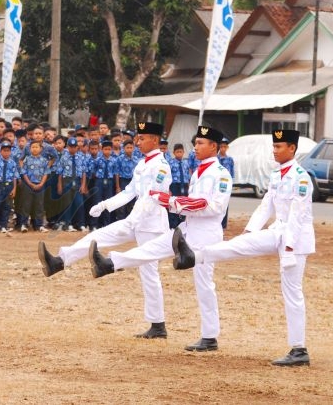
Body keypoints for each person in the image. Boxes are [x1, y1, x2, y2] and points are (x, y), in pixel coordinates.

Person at [171, 129, 315, 366]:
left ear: (292, 149)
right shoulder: (278, 174)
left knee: (292, 293)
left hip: (295, 240)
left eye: (279, 147)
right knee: (237, 246)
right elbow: (266, 205)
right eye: (274, 146)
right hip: (278, 230)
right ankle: (194, 256)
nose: (274, 151)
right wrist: (249, 232)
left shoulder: (301, 177)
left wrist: (288, 249)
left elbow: (299, 217)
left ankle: (299, 350)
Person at [88, 126, 232, 352]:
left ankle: (209, 336)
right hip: (188, 228)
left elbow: (214, 206)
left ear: (214, 146)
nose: (195, 147)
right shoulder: (199, 171)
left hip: (206, 233)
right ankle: (110, 263)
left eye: (201, 143)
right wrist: (173, 202)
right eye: (196, 142)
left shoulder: (221, 173)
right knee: (151, 249)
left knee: (204, 284)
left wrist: (174, 202)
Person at [39, 121, 172, 339]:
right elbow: (130, 192)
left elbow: (152, 198)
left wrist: (132, 220)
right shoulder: (142, 164)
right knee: (98, 236)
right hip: (136, 220)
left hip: (152, 223)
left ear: (155, 140)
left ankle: (158, 325)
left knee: (149, 274)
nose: (138, 142)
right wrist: (105, 205)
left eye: (142, 138)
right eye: (137, 137)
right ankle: (59, 261)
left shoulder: (161, 166)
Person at [0, 140, 20, 233]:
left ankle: (3, 225)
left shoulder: (12, 163)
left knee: (7, 206)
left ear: (10, 152)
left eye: (8, 150)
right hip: (0, 185)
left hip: (9, 185)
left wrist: (14, 189)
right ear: (0, 151)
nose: (6, 152)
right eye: (4, 150)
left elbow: (15, 177)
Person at [56, 137, 88, 232]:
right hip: (67, 181)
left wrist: (83, 185)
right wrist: (60, 185)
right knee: (67, 204)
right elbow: (60, 173)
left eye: (74, 147)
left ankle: (81, 224)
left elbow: (84, 172)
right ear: (67, 146)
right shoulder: (64, 157)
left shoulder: (81, 157)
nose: (72, 149)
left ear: (77, 147)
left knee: (79, 203)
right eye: (71, 146)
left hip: (77, 181)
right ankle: (68, 224)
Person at [19, 141, 50, 232]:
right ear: (29, 149)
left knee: (39, 205)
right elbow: (24, 173)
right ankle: (24, 224)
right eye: (32, 147)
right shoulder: (27, 159)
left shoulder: (44, 160)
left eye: (37, 147)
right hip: (28, 185)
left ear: (41, 149)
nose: (35, 149)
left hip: (40, 185)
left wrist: (41, 184)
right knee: (26, 204)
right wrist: (30, 183)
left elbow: (46, 173)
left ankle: (39, 225)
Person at [91, 140, 117, 228]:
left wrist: (116, 186)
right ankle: (94, 224)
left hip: (109, 182)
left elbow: (115, 173)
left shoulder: (114, 160)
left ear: (111, 150)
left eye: (109, 149)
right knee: (97, 202)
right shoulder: (97, 160)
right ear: (102, 150)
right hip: (99, 181)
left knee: (108, 203)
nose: (107, 151)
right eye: (105, 149)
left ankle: (106, 224)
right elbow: (93, 171)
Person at [168, 143, 190, 228]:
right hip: (174, 185)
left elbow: (187, 174)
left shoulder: (185, 163)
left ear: (183, 152)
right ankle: (173, 224)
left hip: (184, 185)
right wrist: (169, 188)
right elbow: (168, 176)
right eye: (177, 152)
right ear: (174, 153)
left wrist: (188, 185)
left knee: (183, 203)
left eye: (181, 152)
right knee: (174, 203)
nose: (179, 154)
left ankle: (182, 223)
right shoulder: (171, 163)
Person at [218, 137, 235, 229]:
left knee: (225, 203)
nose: (223, 149)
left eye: (225, 147)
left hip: (226, 184)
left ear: (227, 147)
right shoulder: (215, 159)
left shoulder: (230, 160)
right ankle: (217, 222)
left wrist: (231, 184)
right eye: (221, 146)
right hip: (217, 183)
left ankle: (223, 224)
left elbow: (232, 173)